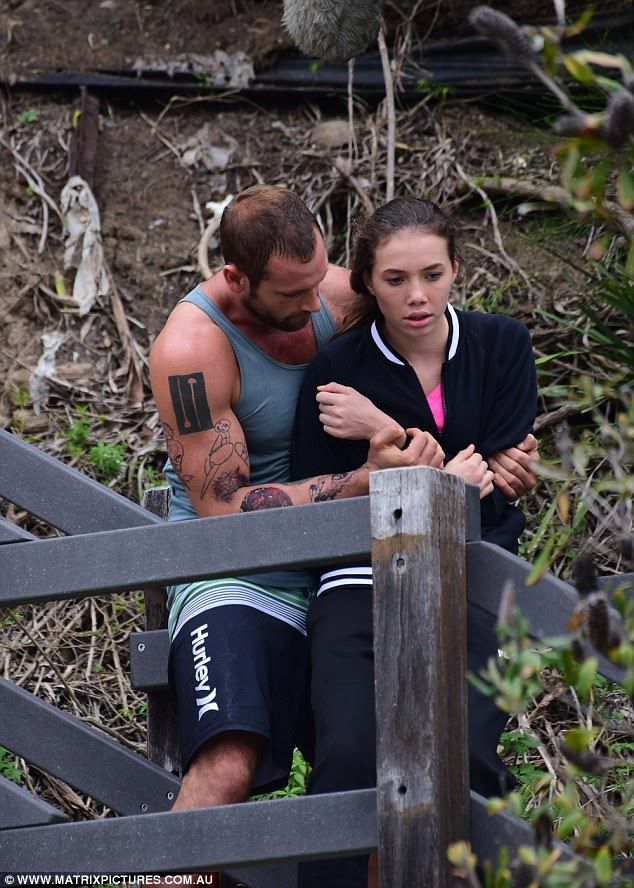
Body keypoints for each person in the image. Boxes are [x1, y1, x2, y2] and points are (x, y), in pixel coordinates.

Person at [148, 184, 449, 815]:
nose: (318, 302)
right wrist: (355, 485)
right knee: (228, 765)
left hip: (343, 569)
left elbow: (439, 356)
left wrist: (502, 449)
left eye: (320, 279)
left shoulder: (331, 292)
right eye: (293, 293)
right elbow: (225, 513)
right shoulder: (190, 352)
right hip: (237, 576)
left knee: (387, 773)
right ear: (237, 276)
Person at [290, 196, 539, 888]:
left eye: (432, 274)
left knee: (472, 759)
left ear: (457, 268)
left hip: (473, 573)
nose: (417, 296)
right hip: (358, 578)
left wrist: (385, 433)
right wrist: (454, 473)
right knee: (344, 754)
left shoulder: (502, 344)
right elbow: (324, 493)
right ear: (367, 281)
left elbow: (497, 474)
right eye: (396, 280)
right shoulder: (335, 370)